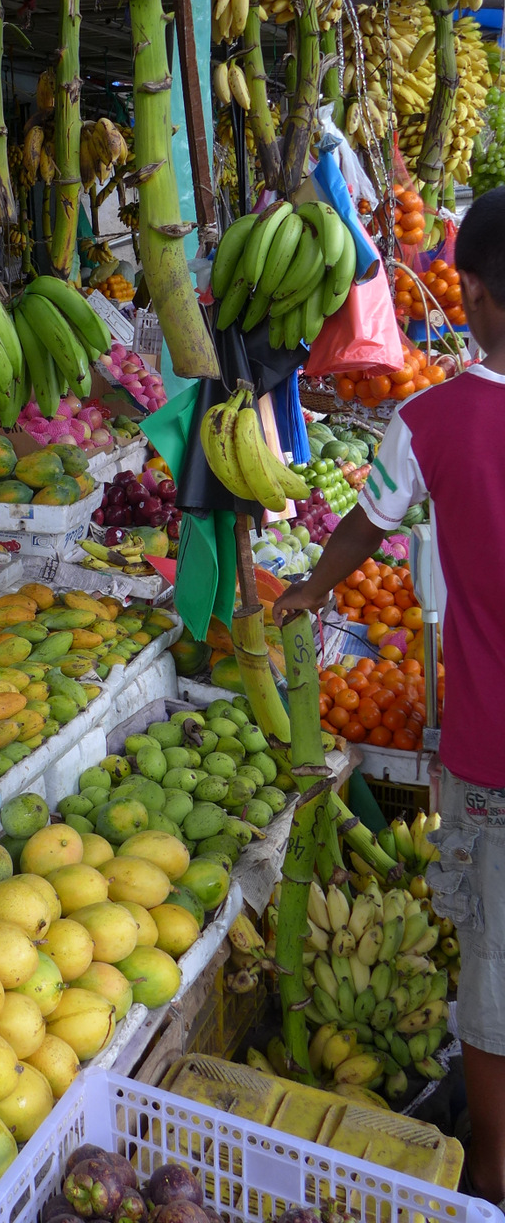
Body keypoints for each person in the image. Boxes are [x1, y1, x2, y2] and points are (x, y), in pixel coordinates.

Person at [273, 186, 505, 1202]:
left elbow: (371, 519)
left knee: (491, 991)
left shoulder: (434, 419)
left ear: (482, 298)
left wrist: (312, 590)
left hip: (490, 759)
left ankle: (493, 1165)